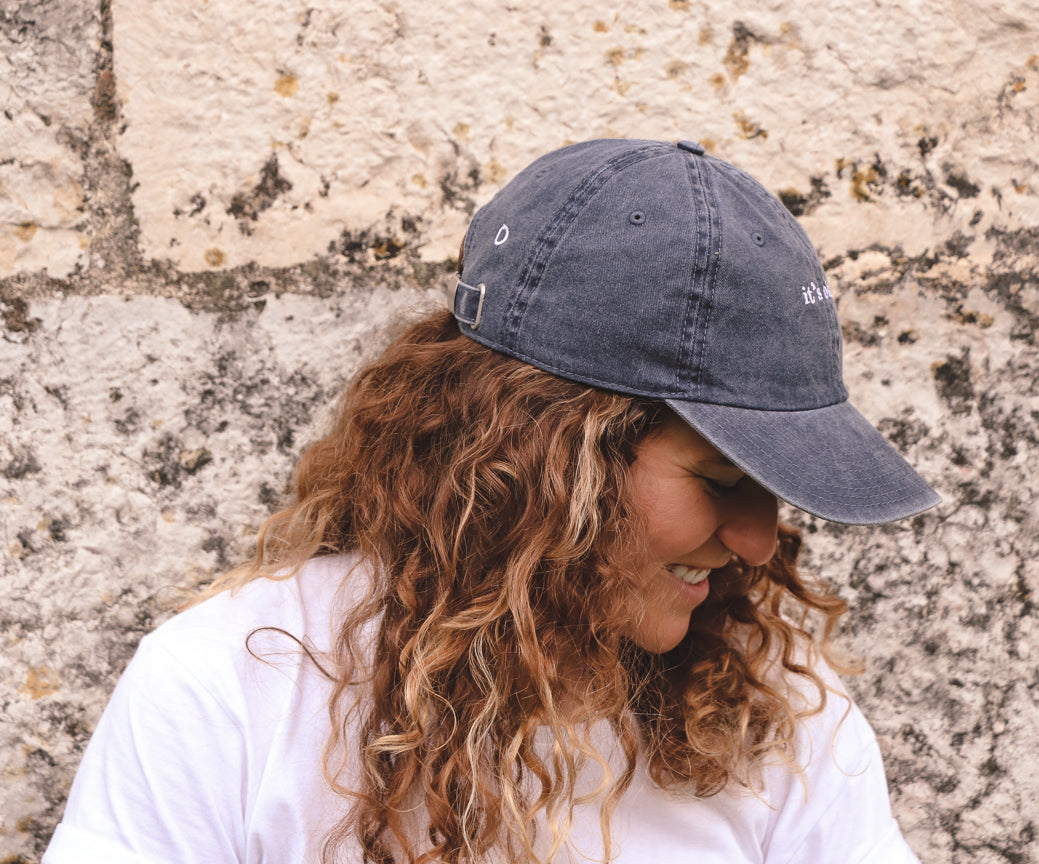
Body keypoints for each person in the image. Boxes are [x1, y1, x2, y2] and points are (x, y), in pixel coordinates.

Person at [44, 138, 940, 864]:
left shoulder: (773, 709)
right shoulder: (229, 690)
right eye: (719, 481)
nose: (755, 543)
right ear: (537, 455)